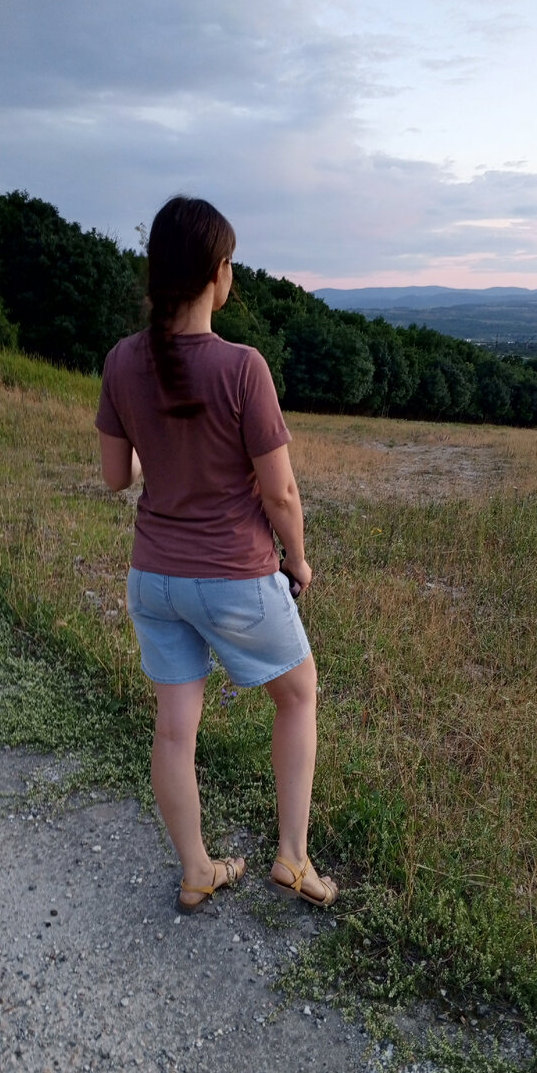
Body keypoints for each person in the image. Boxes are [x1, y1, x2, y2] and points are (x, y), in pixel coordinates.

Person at [95, 195, 338, 914]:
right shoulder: (243, 367)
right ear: (218, 272)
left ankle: (198, 870)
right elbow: (281, 492)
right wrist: (297, 559)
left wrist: (160, 454)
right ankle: (292, 858)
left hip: (153, 578)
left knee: (175, 729)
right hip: (232, 575)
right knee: (298, 695)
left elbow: (115, 477)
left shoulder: (122, 360)